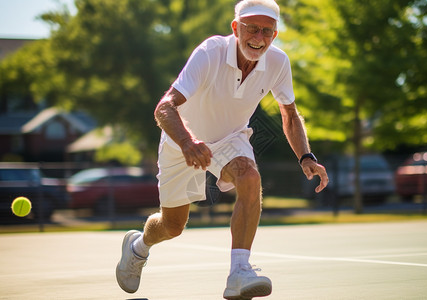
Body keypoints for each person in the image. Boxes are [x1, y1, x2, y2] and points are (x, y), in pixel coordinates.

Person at [116, 0, 328, 298]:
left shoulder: (278, 62)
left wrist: (306, 156)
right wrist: (188, 143)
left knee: (250, 178)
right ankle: (138, 248)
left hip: (230, 138)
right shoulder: (210, 52)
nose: (259, 37)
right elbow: (164, 108)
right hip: (182, 140)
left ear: (275, 35)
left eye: (267, 31)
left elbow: (290, 115)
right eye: (251, 28)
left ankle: (239, 272)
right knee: (173, 225)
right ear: (235, 27)